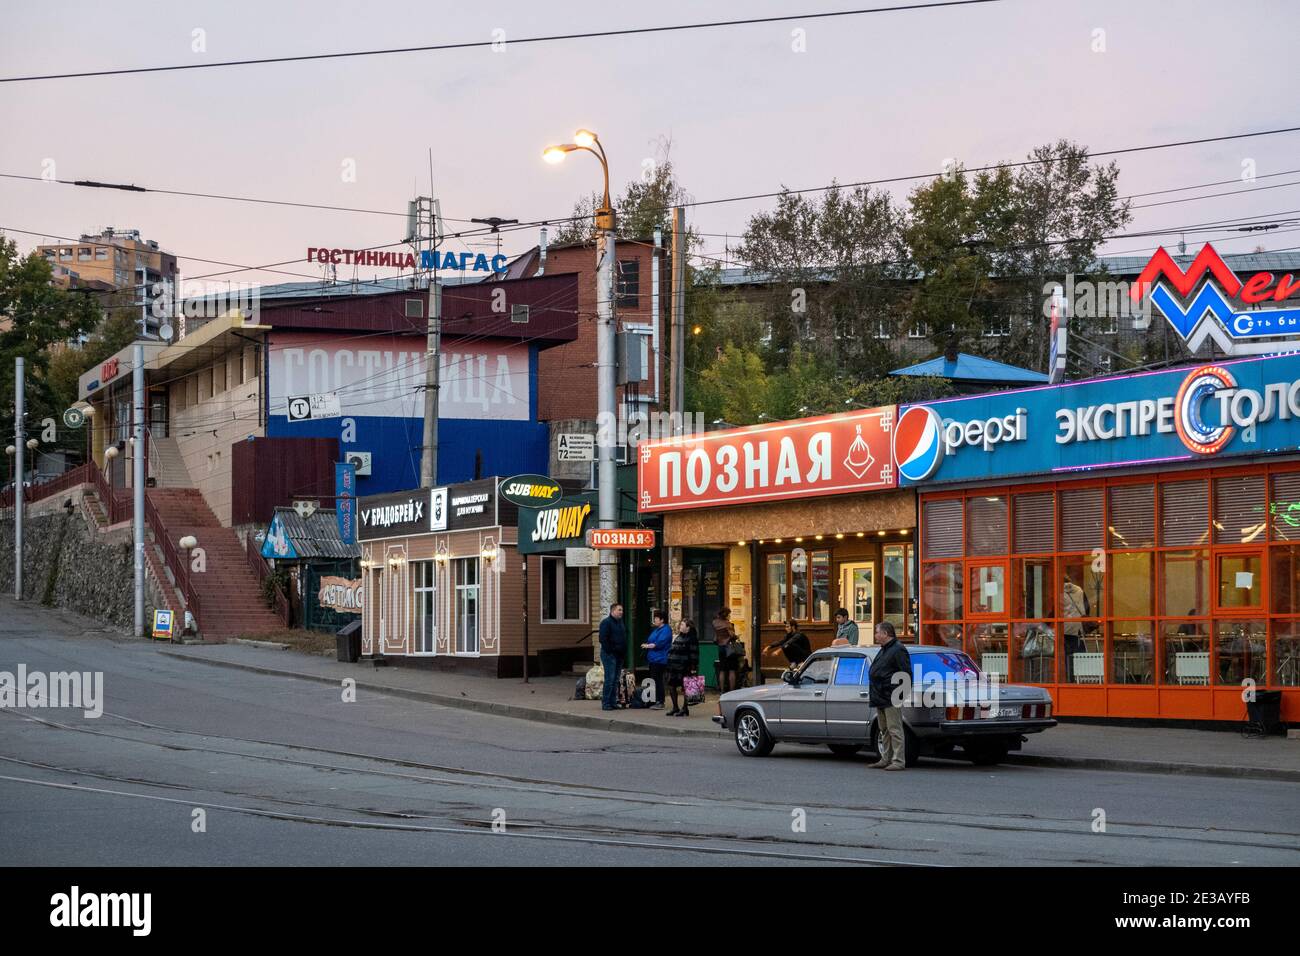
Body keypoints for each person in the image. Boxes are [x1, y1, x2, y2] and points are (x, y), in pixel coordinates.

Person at [867, 620, 912, 771]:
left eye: (877, 632)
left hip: (890, 696)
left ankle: (898, 760)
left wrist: (898, 694)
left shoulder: (898, 649)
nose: (875, 635)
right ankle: (886, 758)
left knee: (895, 729)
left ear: (885, 634)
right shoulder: (885, 649)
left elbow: (905, 673)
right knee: (884, 729)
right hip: (880, 695)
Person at [665, 619, 699, 717]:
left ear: (688, 628)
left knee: (686, 688)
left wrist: (693, 668)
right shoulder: (679, 636)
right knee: (671, 686)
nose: (680, 626)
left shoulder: (692, 639)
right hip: (674, 667)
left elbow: (694, 654)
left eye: (683, 624)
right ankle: (675, 707)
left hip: (685, 667)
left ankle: (685, 708)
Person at [640, 610, 673, 710]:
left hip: (660, 659)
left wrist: (647, 646)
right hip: (653, 659)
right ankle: (653, 699)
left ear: (662, 620)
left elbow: (659, 643)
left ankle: (660, 701)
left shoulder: (666, 630)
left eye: (656, 618)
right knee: (653, 680)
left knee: (658, 680)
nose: (654, 620)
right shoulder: (657, 629)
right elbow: (651, 640)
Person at [598, 603, 627, 712]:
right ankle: (606, 703)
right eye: (619, 610)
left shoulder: (620, 623)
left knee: (615, 679)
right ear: (613, 611)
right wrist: (610, 651)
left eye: (622, 610)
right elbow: (602, 639)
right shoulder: (606, 623)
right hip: (609, 655)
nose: (621, 612)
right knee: (609, 679)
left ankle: (613, 702)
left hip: (619, 655)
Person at [1061, 571, 1089, 681]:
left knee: (1065, 656)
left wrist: (1044, 624)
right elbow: (1086, 608)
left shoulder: (1060, 592)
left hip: (1065, 629)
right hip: (1078, 629)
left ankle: (1068, 678)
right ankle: (1078, 678)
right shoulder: (1080, 590)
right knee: (1077, 655)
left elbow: (1054, 611)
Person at [713, 607, 742, 693]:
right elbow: (732, 635)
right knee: (732, 670)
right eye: (729, 614)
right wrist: (737, 636)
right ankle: (731, 691)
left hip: (721, 648)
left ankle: (722, 690)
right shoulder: (728, 624)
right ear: (726, 614)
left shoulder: (715, 623)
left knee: (722, 670)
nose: (730, 615)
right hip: (730, 648)